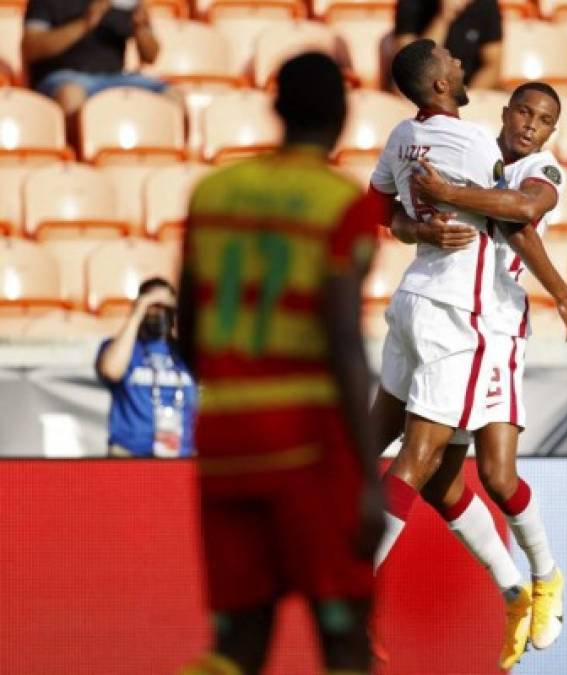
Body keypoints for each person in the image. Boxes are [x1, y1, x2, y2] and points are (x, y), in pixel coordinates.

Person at [367, 40, 567, 670]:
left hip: (491, 329)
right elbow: (397, 200)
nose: (530, 126)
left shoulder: (538, 171)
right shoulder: (479, 154)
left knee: (490, 474)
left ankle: (545, 576)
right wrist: (421, 217)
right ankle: (516, 590)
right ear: (506, 113)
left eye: (543, 121)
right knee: (441, 479)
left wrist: (564, 293)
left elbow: (521, 214)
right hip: (451, 315)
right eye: (523, 113)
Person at [176, 52, 384, 675]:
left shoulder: (212, 194)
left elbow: (189, 333)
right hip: (308, 446)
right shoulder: (341, 204)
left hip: (223, 439)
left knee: (237, 638)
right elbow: (344, 341)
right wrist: (369, 475)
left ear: (275, 108)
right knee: (343, 634)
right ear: (343, 115)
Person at [95, 276, 196, 459]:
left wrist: (178, 317)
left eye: (166, 308)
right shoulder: (123, 347)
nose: (159, 313)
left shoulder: (184, 353)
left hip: (181, 458)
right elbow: (111, 370)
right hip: (130, 454)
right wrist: (137, 313)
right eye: (153, 306)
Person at [22, 0, 167, 115]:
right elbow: (32, 48)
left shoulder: (124, 3)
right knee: (71, 95)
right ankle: (80, 150)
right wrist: (85, 24)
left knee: (173, 97)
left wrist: (140, 28)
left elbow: (151, 56)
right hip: (64, 78)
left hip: (117, 78)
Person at [390, 0, 502, 89]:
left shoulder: (487, 4)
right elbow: (412, 68)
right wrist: (444, 17)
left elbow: (492, 65)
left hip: (468, 93)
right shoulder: (412, 3)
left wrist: (468, 101)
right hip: (422, 94)